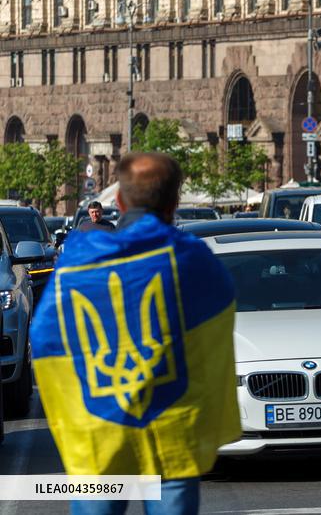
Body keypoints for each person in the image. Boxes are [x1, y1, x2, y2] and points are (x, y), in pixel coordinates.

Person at [31, 152, 241, 515]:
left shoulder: (77, 263)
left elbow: (47, 336)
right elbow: (218, 316)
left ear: (120, 201)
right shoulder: (189, 257)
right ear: (175, 201)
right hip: (171, 427)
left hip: (100, 429)